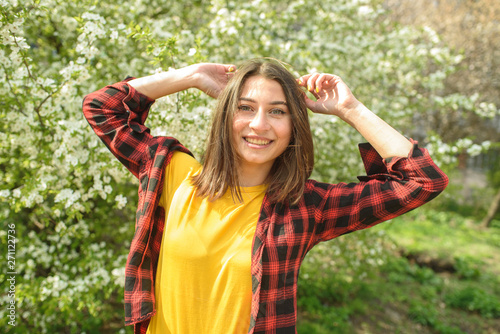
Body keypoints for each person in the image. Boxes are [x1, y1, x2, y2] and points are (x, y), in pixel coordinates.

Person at [82, 59, 448, 334]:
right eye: (245, 107)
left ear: (294, 127)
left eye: (278, 112)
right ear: (226, 115)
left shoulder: (305, 206)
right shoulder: (172, 173)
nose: (259, 125)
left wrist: (350, 110)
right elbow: (103, 107)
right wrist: (191, 76)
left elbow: (422, 181)